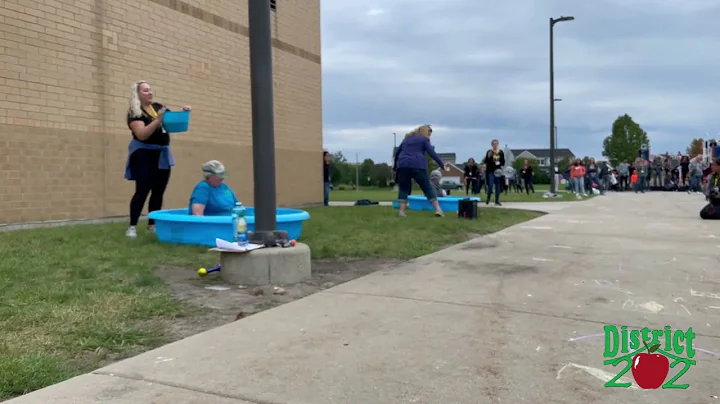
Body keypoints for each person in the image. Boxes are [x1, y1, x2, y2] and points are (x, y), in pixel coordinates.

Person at [124, 80, 191, 238]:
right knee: (142, 190)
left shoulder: (157, 107)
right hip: (143, 155)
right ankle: (132, 226)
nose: (150, 93)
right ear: (138, 94)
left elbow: (173, 124)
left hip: (161, 154)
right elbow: (142, 134)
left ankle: (152, 225)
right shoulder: (135, 112)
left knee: (158, 191)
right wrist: (158, 120)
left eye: (150, 90)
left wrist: (183, 113)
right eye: (146, 90)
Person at [393, 125, 448, 217]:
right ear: (425, 132)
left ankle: (402, 212)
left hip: (403, 164)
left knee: (403, 188)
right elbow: (432, 153)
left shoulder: (406, 139)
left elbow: (397, 153)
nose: (429, 136)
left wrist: (395, 167)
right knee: (427, 188)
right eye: (429, 133)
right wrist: (442, 165)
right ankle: (438, 210)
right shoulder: (424, 140)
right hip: (418, 165)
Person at [483, 139, 505, 206]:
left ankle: (497, 201)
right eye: (494, 144)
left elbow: (503, 161)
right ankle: (488, 198)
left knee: (498, 186)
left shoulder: (501, 152)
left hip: (498, 171)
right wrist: (489, 156)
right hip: (491, 171)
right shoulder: (489, 152)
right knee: (490, 185)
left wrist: (501, 165)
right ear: (492, 145)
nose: (495, 145)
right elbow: (486, 161)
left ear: (498, 144)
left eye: (496, 143)